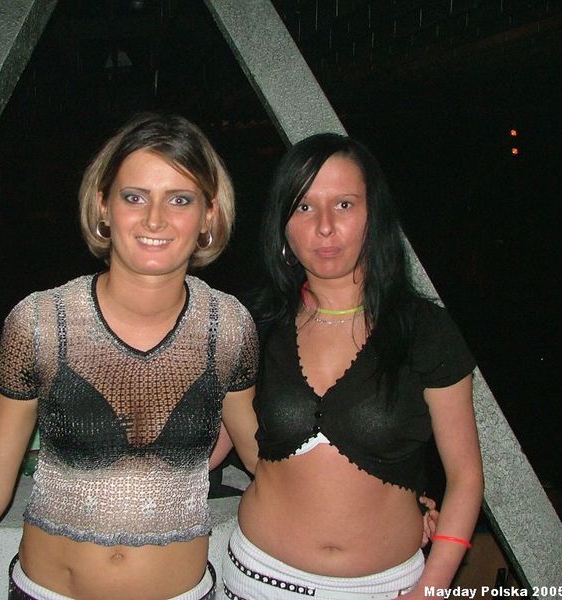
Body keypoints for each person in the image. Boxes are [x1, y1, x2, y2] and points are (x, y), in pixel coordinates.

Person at [0, 112, 259, 600]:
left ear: (209, 214)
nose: (155, 219)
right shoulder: (39, 323)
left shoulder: (228, 327)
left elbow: (262, 458)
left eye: (179, 199)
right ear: (103, 206)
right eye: (134, 197)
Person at [221, 133, 483, 599]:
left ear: (373, 215)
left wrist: (434, 587)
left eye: (343, 205)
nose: (324, 227)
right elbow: (204, 444)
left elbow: (465, 477)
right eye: (304, 207)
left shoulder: (424, 329)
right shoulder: (253, 325)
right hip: (260, 578)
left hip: (389, 588)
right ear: (282, 226)